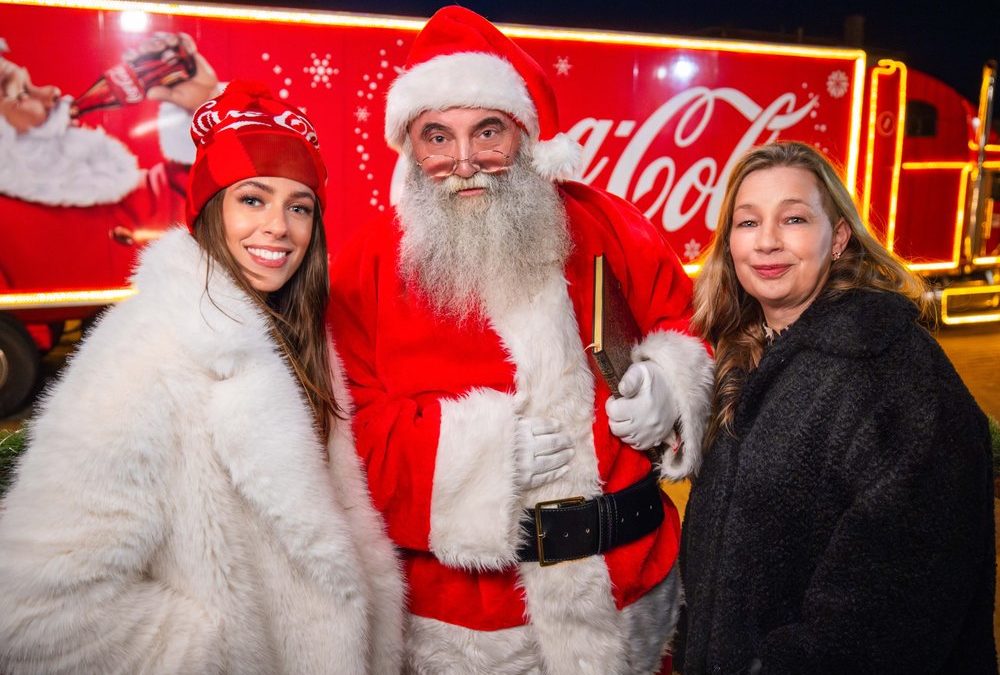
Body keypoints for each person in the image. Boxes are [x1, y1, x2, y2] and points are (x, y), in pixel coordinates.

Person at [328, 6, 714, 674]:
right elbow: (344, 426)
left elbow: (689, 324)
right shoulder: (364, 266)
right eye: (436, 137)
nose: (464, 160)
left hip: (631, 591)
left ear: (525, 133)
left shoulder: (608, 225)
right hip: (468, 625)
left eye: (488, 131)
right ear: (410, 148)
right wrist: (478, 451)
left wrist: (670, 385)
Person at [0, 81, 404, 675]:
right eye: (252, 199)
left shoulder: (305, 343)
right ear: (209, 209)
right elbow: (30, 612)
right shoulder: (145, 352)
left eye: (299, 206)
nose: (279, 228)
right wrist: (225, 653)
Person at [679, 140, 996, 674]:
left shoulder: (889, 368)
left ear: (839, 238)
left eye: (795, 219)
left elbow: (898, 604)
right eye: (748, 223)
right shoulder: (744, 358)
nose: (768, 243)